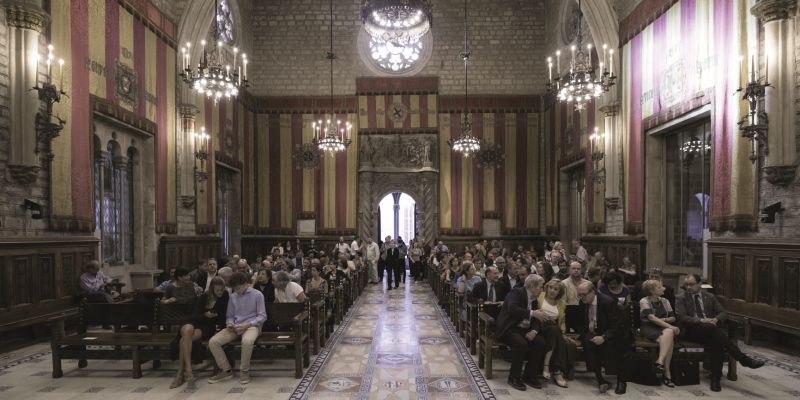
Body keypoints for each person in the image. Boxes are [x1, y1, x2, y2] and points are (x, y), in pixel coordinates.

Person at [675, 274, 764, 392]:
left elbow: (723, 313)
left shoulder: (709, 297)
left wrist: (716, 319)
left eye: (691, 284)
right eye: (686, 285)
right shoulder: (681, 298)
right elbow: (682, 317)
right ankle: (743, 360)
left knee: (717, 341)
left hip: (709, 331)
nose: (688, 287)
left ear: (700, 284)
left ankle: (715, 380)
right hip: (691, 331)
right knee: (714, 331)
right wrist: (702, 320)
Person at [495, 274, 553, 391]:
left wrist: (534, 331)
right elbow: (512, 309)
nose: (542, 290)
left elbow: (537, 318)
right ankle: (514, 377)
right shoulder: (516, 293)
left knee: (540, 342)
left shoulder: (534, 298)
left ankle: (529, 375)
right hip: (510, 328)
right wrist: (532, 313)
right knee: (521, 344)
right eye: (540, 287)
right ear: (532, 286)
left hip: (524, 329)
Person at [207, 272, 266, 385]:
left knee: (247, 341)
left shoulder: (257, 295)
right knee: (213, 342)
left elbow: (262, 316)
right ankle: (226, 370)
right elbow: (229, 316)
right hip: (236, 326)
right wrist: (230, 324)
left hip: (252, 326)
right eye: (234, 288)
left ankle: (244, 371)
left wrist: (248, 324)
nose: (236, 291)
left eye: (238, 288)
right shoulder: (233, 296)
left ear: (245, 284)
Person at [171, 277, 229, 389]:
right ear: (212, 289)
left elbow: (223, 316)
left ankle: (181, 373)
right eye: (217, 290)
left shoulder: (225, 296)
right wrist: (205, 315)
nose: (220, 292)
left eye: (222, 289)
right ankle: (189, 373)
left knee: (183, 340)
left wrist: (214, 320)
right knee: (187, 330)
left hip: (207, 326)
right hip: (195, 321)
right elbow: (196, 315)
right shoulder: (204, 297)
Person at [576, 281, 629, 394]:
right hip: (594, 331)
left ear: (593, 292)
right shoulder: (583, 302)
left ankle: (621, 380)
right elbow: (581, 321)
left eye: (584, 294)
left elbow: (617, 325)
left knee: (613, 346)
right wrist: (584, 334)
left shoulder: (607, 302)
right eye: (579, 295)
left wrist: (604, 337)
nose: (582, 297)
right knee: (587, 342)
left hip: (613, 332)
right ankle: (600, 379)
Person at [639, 279, 679, 388]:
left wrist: (664, 321)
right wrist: (671, 326)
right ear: (652, 291)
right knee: (670, 337)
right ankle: (667, 374)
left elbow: (673, 318)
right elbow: (651, 318)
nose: (663, 288)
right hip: (649, 328)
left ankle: (660, 362)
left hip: (663, 328)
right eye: (659, 287)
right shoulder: (644, 301)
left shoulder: (665, 301)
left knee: (669, 334)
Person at [537, 279, 570, 387]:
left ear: (559, 292)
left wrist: (563, 333)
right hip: (539, 327)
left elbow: (562, 322)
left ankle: (548, 367)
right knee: (555, 331)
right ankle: (557, 372)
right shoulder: (539, 296)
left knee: (555, 331)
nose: (552, 291)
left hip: (554, 330)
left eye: (556, 289)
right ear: (547, 287)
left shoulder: (562, 303)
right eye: (550, 287)